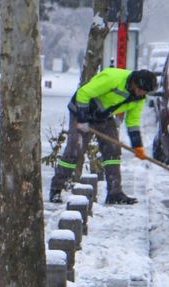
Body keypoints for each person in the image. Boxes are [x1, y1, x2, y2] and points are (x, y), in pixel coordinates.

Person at [48, 67, 157, 205]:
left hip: (104, 116)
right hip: (81, 110)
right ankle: (56, 189)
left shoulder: (139, 98)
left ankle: (115, 193)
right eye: (142, 90)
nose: (142, 94)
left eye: (146, 92)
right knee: (75, 150)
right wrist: (82, 119)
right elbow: (83, 93)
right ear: (135, 83)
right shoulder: (113, 78)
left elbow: (133, 122)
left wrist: (138, 146)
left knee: (113, 150)